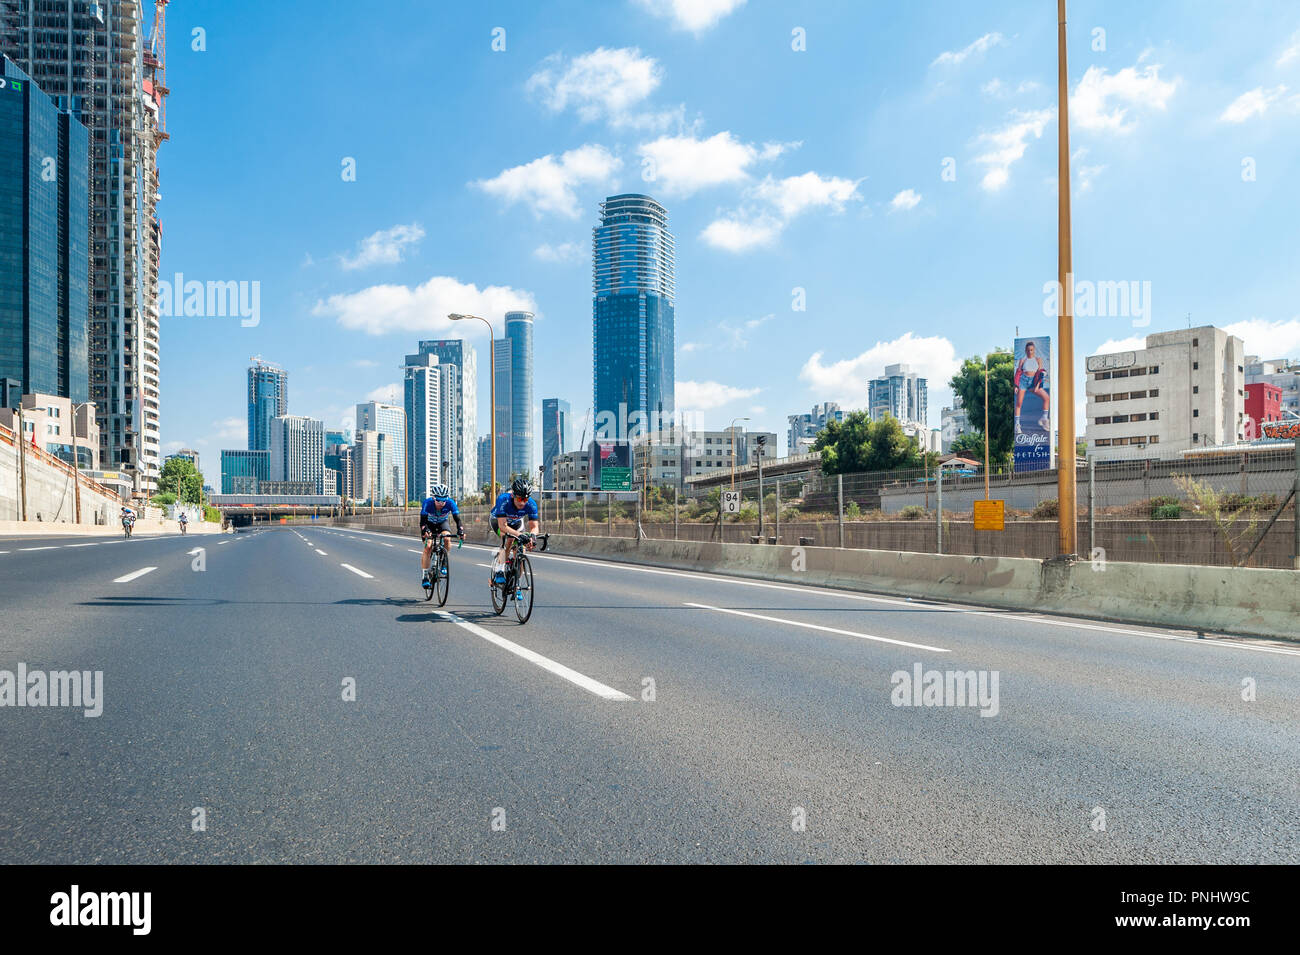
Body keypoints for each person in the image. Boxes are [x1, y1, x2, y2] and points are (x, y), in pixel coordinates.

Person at [490, 478, 539, 584]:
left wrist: (532, 536)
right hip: (498, 521)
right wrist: (519, 534)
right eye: (520, 499)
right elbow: (503, 526)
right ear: (513, 495)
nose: (522, 503)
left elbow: (534, 527)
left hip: (516, 522)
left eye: (525, 500)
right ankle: (499, 569)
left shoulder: (531, 504)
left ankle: (516, 583)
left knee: (521, 549)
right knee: (509, 539)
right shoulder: (503, 500)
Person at [419, 483, 463, 586]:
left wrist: (460, 531)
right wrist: (425, 530)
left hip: (442, 523)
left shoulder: (450, 503)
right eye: (438, 500)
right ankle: (425, 575)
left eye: (444, 500)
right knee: (428, 547)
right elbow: (422, 522)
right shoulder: (427, 503)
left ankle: (443, 562)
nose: (441, 503)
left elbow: (458, 519)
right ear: (433, 498)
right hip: (429, 524)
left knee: (447, 539)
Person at [1014, 340, 1051, 431]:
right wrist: (1016, 385)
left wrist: (1037, 385)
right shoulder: (1023, 360)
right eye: (1028, 350)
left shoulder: (1038, 360)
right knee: (1019, 403)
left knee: (1046, 398)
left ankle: (1044, 418)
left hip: (1033, 382)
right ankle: (1017, 425)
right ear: (1025, 351)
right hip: (1023, 381)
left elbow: (1040, 373)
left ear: (1034, 350)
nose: (1030, 352)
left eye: (1031, 350)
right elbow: (1018, 373)